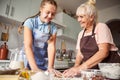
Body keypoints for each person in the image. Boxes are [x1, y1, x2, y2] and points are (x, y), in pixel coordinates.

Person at [63, 0, 120, 77]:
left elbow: (103, 52)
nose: (78, 20)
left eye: (81, 17)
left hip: (110, 71)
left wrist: (80, 68)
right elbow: (79, 54)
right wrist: (75, 67)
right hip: (94, 72)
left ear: (91, 17)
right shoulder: (81, 34)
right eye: (78, 17)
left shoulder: (101, 27)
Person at [23, 0, 58, 72]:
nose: (50, 16)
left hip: (42, 63)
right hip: (27, 62)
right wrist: (34, 68)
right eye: (47, 12)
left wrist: (50, 67)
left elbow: (51, 47)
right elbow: (28, 46)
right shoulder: (30, 22)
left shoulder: (53, 27)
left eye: (53, 14)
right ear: (41, 9)